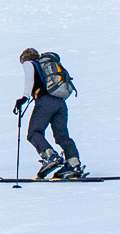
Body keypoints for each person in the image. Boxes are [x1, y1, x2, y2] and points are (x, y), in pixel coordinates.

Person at [17, 48, 83, 178]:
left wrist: (24, 98)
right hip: (60, 103)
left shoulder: (29, 63)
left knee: (33, 133)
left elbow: (29, 80)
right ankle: (73, 163)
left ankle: (50, 157)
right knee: (62, 136)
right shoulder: (47, 68)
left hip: (45, 102)